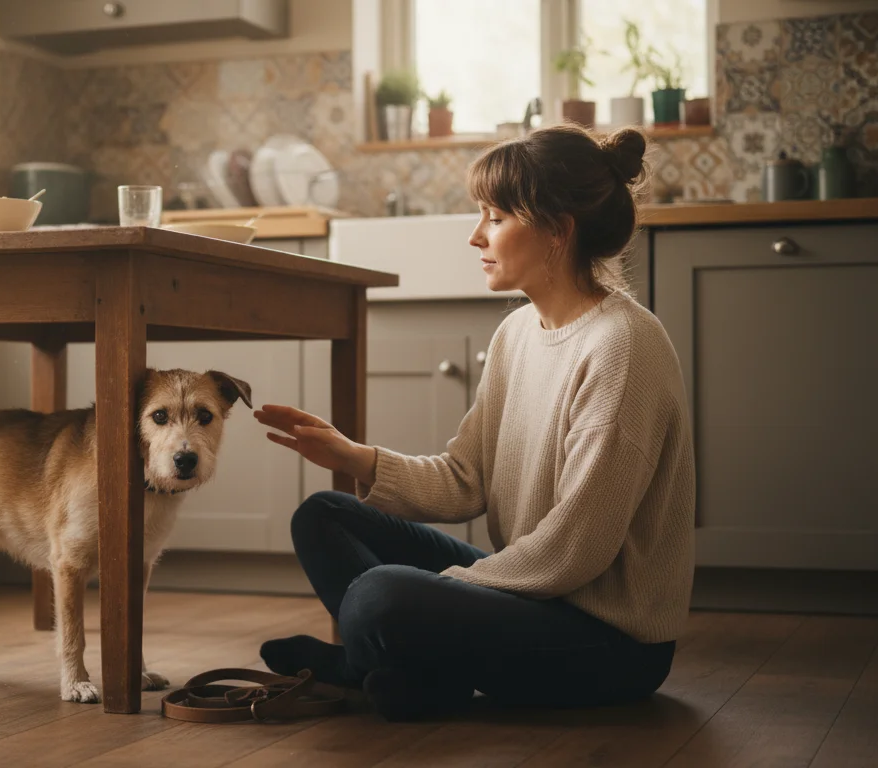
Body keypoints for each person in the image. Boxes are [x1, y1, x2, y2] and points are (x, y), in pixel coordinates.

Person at [252, 124, 696, 722]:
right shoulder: (517, 332)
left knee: (380, 595)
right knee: (323, 517)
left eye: (494, 216)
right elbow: (467, 478)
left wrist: (447, 587)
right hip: (532, 598)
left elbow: (576, 549)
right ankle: (413, 674)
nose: (475, 235)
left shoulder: (624, 346)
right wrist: (352, 457)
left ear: (557, 230)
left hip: (608, 642)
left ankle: (367, 665)